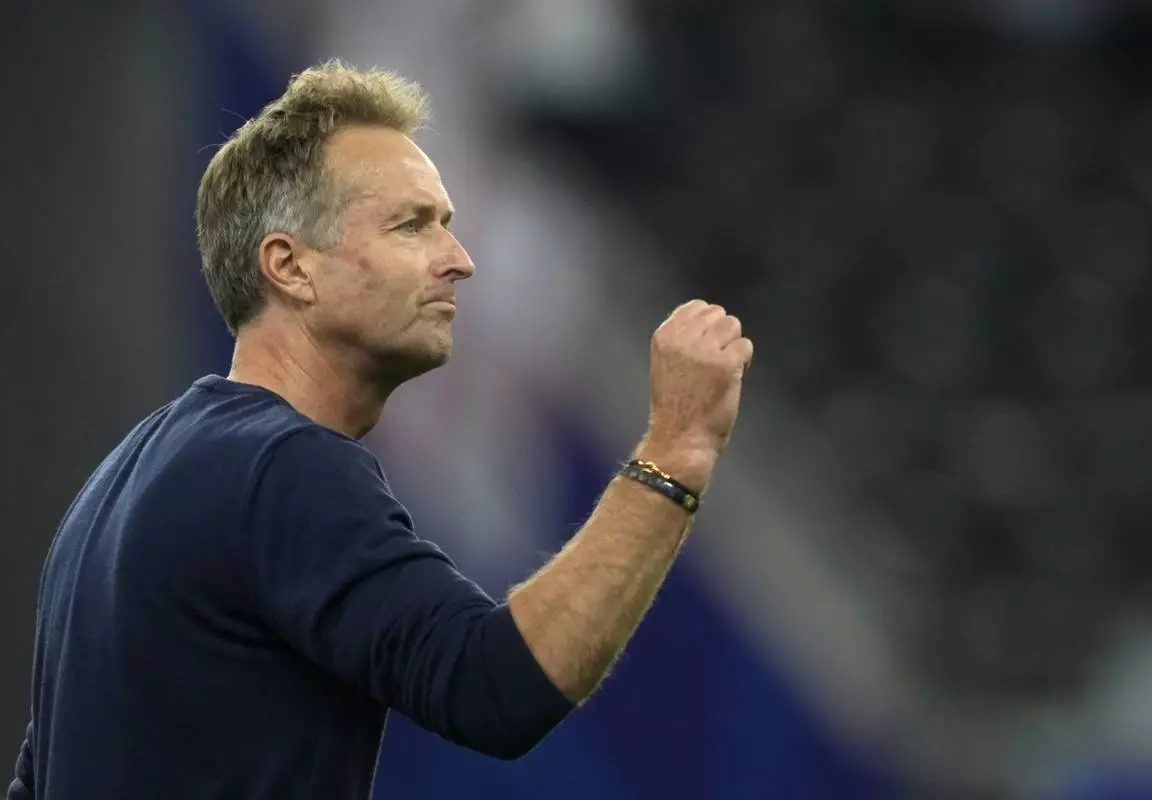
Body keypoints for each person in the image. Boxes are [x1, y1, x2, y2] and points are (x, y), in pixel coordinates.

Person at [7, 60, 753, 800]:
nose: (458, 261)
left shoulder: (111, 490)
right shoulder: (283, 466)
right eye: (412, 226)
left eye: (447, 227)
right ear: (290, 267)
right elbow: (498, 686)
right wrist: (675, 450)